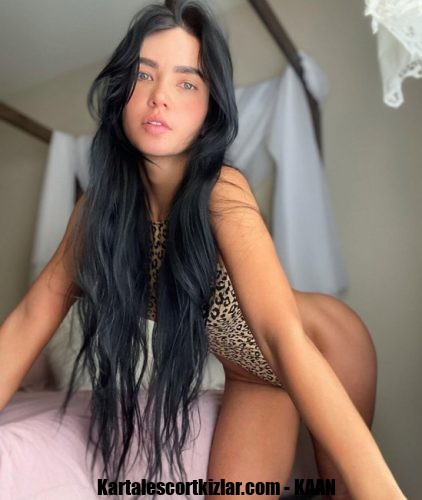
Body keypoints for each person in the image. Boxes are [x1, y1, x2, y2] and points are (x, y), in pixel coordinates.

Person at [0, 1, 406, 499]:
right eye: (143, 75)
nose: (160, 97)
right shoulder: (95, 213)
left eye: (187, 83)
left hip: (321, 344)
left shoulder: (222, 191)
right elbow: (27, 321)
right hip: (251, 376)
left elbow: (281, 337)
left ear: (211, 107)